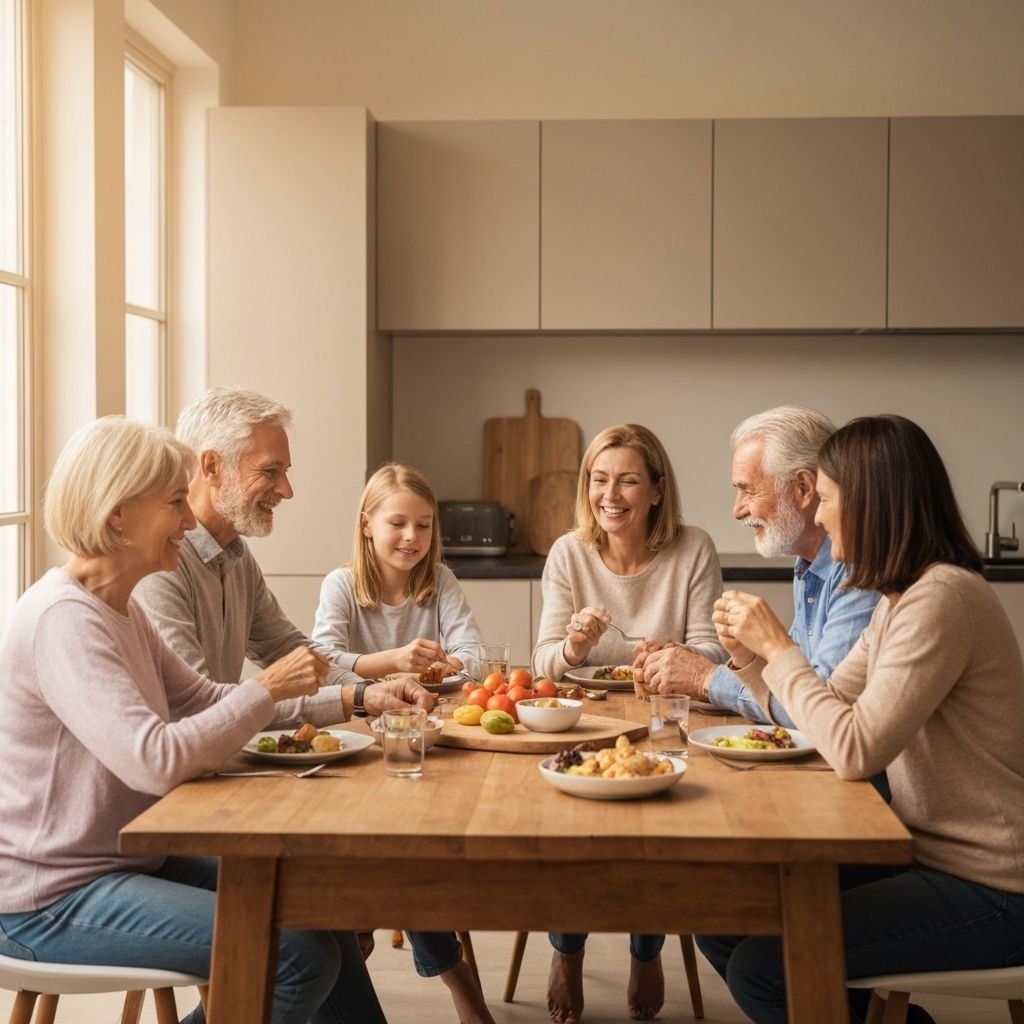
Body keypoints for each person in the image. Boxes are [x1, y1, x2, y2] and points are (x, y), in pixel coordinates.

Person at [0, 417, 388, 1024]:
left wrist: (357, 701)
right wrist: (264, 688)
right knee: (294, 958)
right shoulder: (64, 621)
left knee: (314, 900)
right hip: (50, 900)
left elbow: (206, 700)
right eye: (176, 503)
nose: (188, 520)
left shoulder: (119, 609)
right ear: (118, 513)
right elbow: (155, 760)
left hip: (125, 861)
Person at [700, 415, 1024, 1024]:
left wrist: (779, 650)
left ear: (873, 503)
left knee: (762, 970)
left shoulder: (941, 599)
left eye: (825, 500)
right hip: (921, 852)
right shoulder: (901, 599)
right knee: (720, 911)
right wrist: (750, 659)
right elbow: (819, 712)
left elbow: (853, 749)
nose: (818, 517)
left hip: (995, 885)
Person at [532, 423, 728, 1024]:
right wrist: (571, 649)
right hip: (585, 721)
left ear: (657, 490)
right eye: (598, 479)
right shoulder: (569, 552)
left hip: (666, 720)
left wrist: (676, 656)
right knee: (569, 826)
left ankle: (648, 949)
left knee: (661, 825)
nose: (609, 494)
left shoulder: (693, 547)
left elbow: (713, 655)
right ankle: (566, 948)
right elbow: (542, 664)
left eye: (627, 480)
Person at [311, 463, 493, 1024]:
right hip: (353, 748)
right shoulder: (341, 585)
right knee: (396, 859)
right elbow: (319, 667)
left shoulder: (439, 581)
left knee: (410, 851)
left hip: (422, 748)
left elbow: (477, 659)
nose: (412, 538)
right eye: (398, 523)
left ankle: (367, 943)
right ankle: (462, 988)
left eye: (423, 525)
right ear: (367, 524)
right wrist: (387, 664)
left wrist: (446, 663)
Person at [134, 385, 430, 729]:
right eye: (269, 471)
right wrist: (355, 698)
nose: (286, 490)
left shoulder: (237, 556)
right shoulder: (161, 566)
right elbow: (200, 706)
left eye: (285, 471)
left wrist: (368, 690)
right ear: (212, 466)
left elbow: (288, 649)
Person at [636, 405, 879, 728]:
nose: (737, 510)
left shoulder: (858, 569)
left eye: (748, 489)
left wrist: (705, 678)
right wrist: (737, 657)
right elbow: (793, 682)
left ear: (804, 488)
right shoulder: (808, 563)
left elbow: (817, 708)